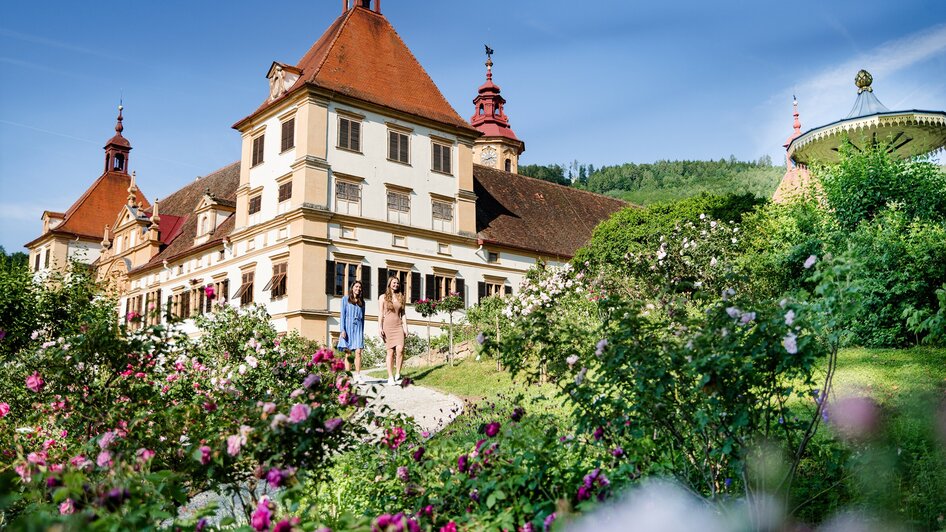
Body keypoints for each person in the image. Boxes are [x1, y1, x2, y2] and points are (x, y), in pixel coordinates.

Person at [379, 274, 408, 385]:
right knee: (390, 352)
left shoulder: (401, 297)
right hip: (387, 326)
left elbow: (403, 314)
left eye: (397, 283)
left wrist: (406, 327)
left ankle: (398, 374)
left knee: (400, 349)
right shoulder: (383, 297)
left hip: (398, 326)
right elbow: (380, 314)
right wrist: (379, 327)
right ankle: (390, 377)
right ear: (390, 284)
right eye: (394, 283)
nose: (396, 285)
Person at [337, 280, 366, 383]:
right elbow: (342, 315)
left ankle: (358, 375)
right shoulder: (345, 299)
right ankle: (347, 377)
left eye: (360, 287)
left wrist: (362, 333)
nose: (358, 289)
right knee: (348, 353)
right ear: (352, 288)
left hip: (358, 328)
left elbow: (363, 319)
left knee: (358, 352)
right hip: (348, 328)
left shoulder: (362, 302)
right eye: (356, 286)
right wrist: (342, 330)